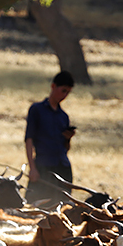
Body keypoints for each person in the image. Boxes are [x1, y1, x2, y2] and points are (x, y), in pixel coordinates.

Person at [24, 70, 76, 204]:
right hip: (43, 167)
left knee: (63, 207)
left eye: (68, 92)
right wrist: (32, 168)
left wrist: (68, 138)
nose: (64, 95)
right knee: (36, 205)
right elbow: (29, 139)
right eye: (63, 90)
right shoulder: (36, 110)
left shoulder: (63, 116)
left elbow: (66, 148)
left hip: (63, 168)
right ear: (53, 86)